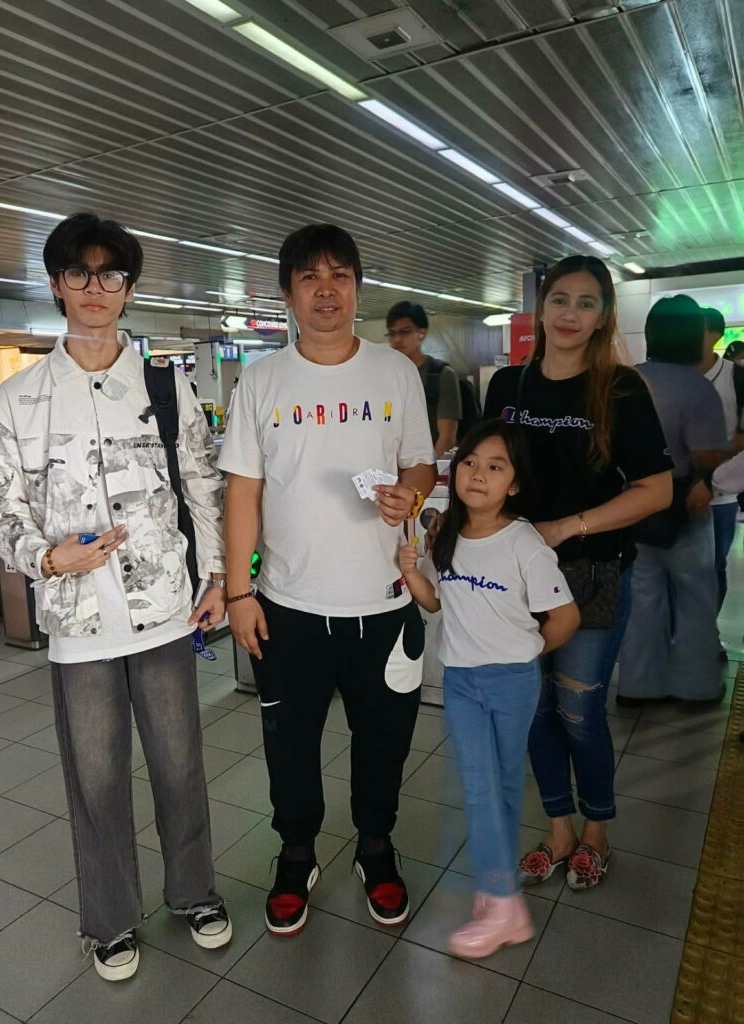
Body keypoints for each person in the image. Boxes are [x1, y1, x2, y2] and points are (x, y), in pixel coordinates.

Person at [0, 212, 232, 981]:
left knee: (180, 767)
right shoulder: (18, 401)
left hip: (164, 615)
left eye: (110, 273)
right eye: (79, 273)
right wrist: (45, 557)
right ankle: (111, 919)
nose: (95, 287)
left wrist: (218, 578)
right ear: (57, 285)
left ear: (128, 288)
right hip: (77, 625)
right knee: (96, 781)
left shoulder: (165, 388)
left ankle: (193, 892)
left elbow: (203, 489)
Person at [220, 224, 436, 935]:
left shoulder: (394, 373)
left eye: (339, 275)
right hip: (288, 607)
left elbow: (420, 462)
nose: (325, 290)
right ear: (286, 293)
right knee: (289, 744)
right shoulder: (262, 380)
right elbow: (243, 492)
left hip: (384, 604)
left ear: (357, 289)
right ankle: (296, 853)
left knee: (384, 741)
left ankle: (375, 847)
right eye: (309, 277)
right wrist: (239, 592)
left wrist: (410, 491)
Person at [483, 254, 672, 890]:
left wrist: (566, 527)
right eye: (560, 299)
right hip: (516, 580)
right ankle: (559, 829)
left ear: (602, 317)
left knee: (578, 711)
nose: (570, 313)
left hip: (591, 575)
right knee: (533, 709)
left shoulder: (620, 391)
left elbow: (656, 490)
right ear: (541, 308)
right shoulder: (508, 386)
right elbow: (488, 470)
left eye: (586, 303)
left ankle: (597, 831)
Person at [399, 420, 579, 959]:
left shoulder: (524, 542)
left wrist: (525, 651)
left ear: (514, 483)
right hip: (461, 683)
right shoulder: (447, 534)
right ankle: (502, 898)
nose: (478, 475)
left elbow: (565, 617)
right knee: (482, 787)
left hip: (512, 681)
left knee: (498, 786)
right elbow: (435, 601)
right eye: (471, 463)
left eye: (495, 467)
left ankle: (502, 902)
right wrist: (411, 573)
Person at [618, 295, 728, 706]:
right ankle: (696, 687)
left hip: (632, 502)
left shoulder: (626, 380)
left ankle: (638, 686)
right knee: (695, 596)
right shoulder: (697, 388)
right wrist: (705, 480)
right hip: (686, 500)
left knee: (642, 596)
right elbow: (706, 455)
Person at [699, 307, 744, 614]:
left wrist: (711, 477)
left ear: (715, 334)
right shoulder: (673, 376)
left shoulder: (735, 377)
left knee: (714, 566)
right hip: (676, 495)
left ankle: (707, 628)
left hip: (720, 497)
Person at [386, 301, 463, 456]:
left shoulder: (441, 375)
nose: (397, 340)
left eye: (405, 332)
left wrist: (431, 469)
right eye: (392, 333)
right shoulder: (386, 376)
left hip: (426, 464)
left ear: (421, 333)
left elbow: (447, 437)